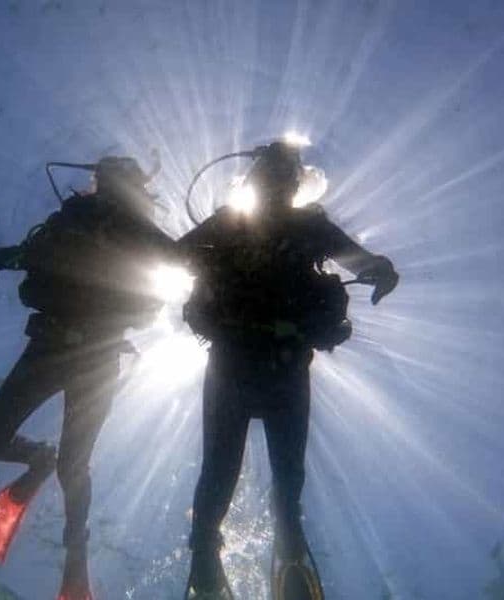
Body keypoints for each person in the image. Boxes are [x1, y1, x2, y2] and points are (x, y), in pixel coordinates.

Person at [0, 155, 175, 600]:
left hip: (99, 358)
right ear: (97, 182)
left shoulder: (142, 232)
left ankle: (75, 561)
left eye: (116, 179)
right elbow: (23, 255)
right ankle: (36, 461)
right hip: (47, 348)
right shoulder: (68, 221)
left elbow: (182, 259)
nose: (105, 185)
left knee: (74, 465)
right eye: (103, 178)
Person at [178, 141, 399, 600]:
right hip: (272, 365)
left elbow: (170, 256)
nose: (277, 186)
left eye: (282, 178)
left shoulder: (250, 224)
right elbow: (361, 260)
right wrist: (380, 269)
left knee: (235, 471)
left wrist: (380, 268)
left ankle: (215, 548)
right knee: (273, 475)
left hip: (243, 364)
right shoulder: (292, 225)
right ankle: (260, 543)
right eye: (274, 177)